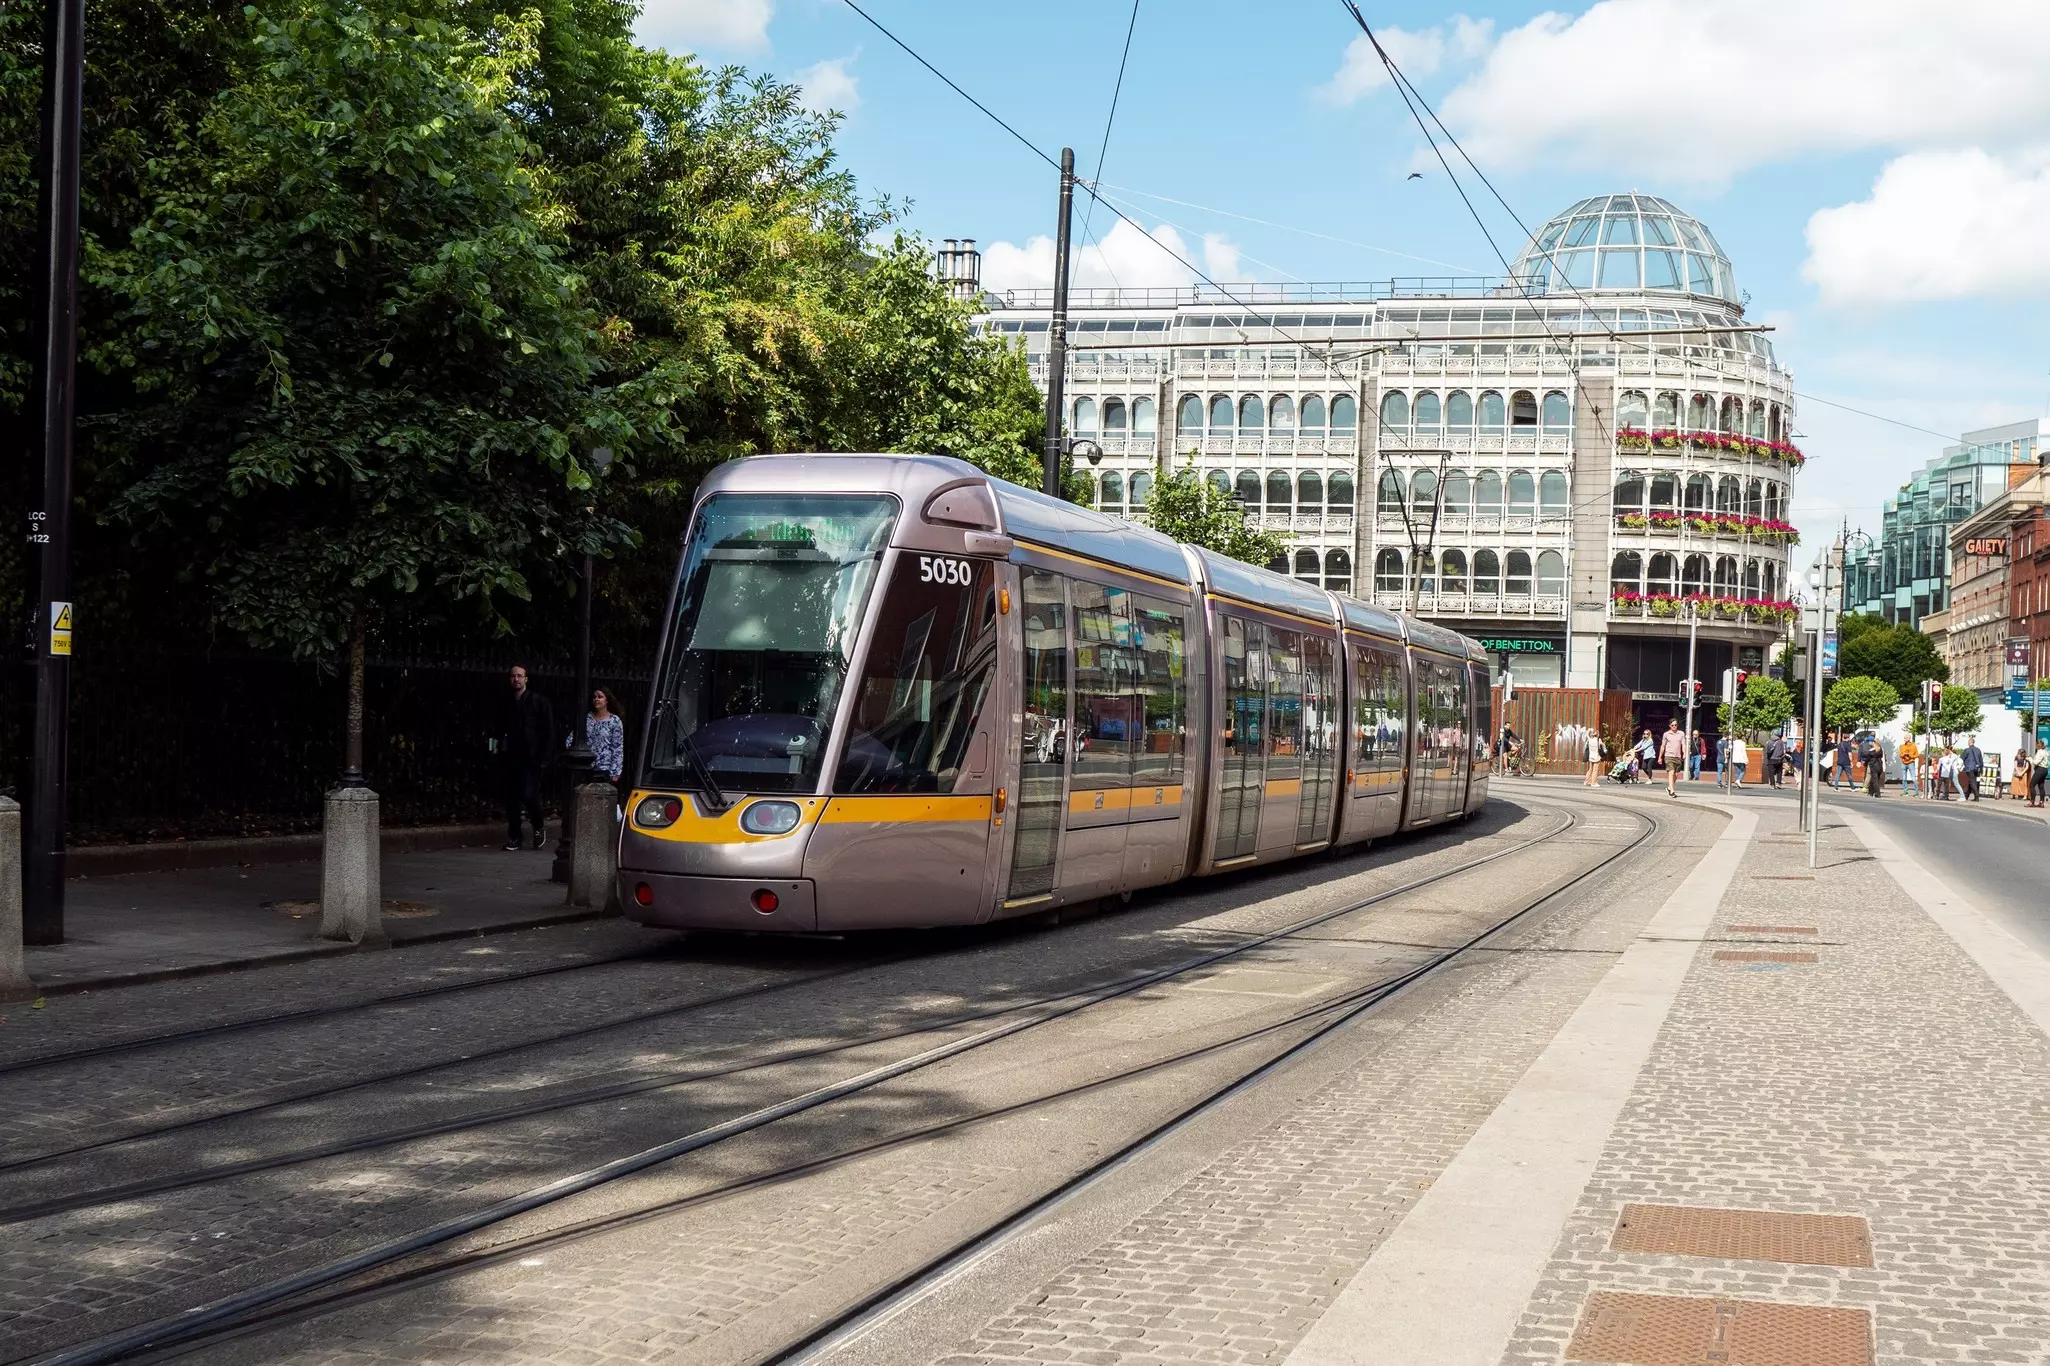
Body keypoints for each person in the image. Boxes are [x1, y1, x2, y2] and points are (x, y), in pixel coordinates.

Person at [497, 663, 558, 851]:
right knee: (511, 798)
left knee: (529, 794)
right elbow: (499, 728)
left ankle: (538, 825)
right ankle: (515, 836)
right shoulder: (506, 703)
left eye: (519, 676)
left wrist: (545, 758)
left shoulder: (538, 702)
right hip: (511, 756)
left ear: (526, 679)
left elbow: (548, 731)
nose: (516, 679)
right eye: (513, 676)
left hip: (531, 757)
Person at [585, 687, 625, 794]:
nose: (596, 699)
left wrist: (615, 771)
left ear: (606, 700)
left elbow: (617, 747)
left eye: (600, 697)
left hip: (604, 768)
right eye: (594, 697)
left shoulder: (614, 721)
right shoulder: (587, 718)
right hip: (587, 766)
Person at [1660, 718, 1687, 797]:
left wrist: (1684, 753)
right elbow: (1663, 746)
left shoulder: (1681, 733)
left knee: (1676, 774)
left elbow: (1683, 744)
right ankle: (1672, 791)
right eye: (1672, 725)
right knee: (1671, 772)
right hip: (1669, 756)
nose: (1674, 726)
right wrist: (1660, 757)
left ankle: (1669, 788)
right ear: (1669, 726)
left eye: (1675, 725)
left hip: (1677, 756)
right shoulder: (1666, 734)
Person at [1858, 730, 1884, 797]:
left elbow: (1868, 758)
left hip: (1873, 766)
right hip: (1879, 766)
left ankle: (1877, 794)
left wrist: (1865, 763)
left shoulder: (1872, 750)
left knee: (1875, 780)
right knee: (1874, 779)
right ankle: (1870, 792)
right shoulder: (1880, 750)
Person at [1961, 734, 1985, 801]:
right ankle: (1966, 796)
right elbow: (1981, 760)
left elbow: (1961, 759)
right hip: (1976, 768)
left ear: (1969, 742)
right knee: (1971, 781)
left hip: (1969, 768)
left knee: (1972, 782)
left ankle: (1977, 797)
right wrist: (1981, 769)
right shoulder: (1978, 750)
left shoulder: (1967, 750)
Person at [1898, 733, 1920, 798]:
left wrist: (1911, 756)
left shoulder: (1913, 746)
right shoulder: (1901, 746)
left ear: (1909, 738)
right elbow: (1900, 754)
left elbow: (1917, 755)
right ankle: (1905, 791)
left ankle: (1916, 792)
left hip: (1911, 762)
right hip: (1903, 762)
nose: (1905, 739)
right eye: (1904, 738)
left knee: (1913, 778)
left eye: (1906, 738)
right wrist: (1903, 754)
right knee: (1904, 778)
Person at [2031, 741, 2049, 807]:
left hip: (2040, 769)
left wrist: (2031, 760)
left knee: (2032, 785)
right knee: (2041, 786)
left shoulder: (2040, 752)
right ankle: (2041, 802)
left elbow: (2036, 762)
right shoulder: (2046, 752)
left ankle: (2032, 802)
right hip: (2045, 770)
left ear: (2038, 745)